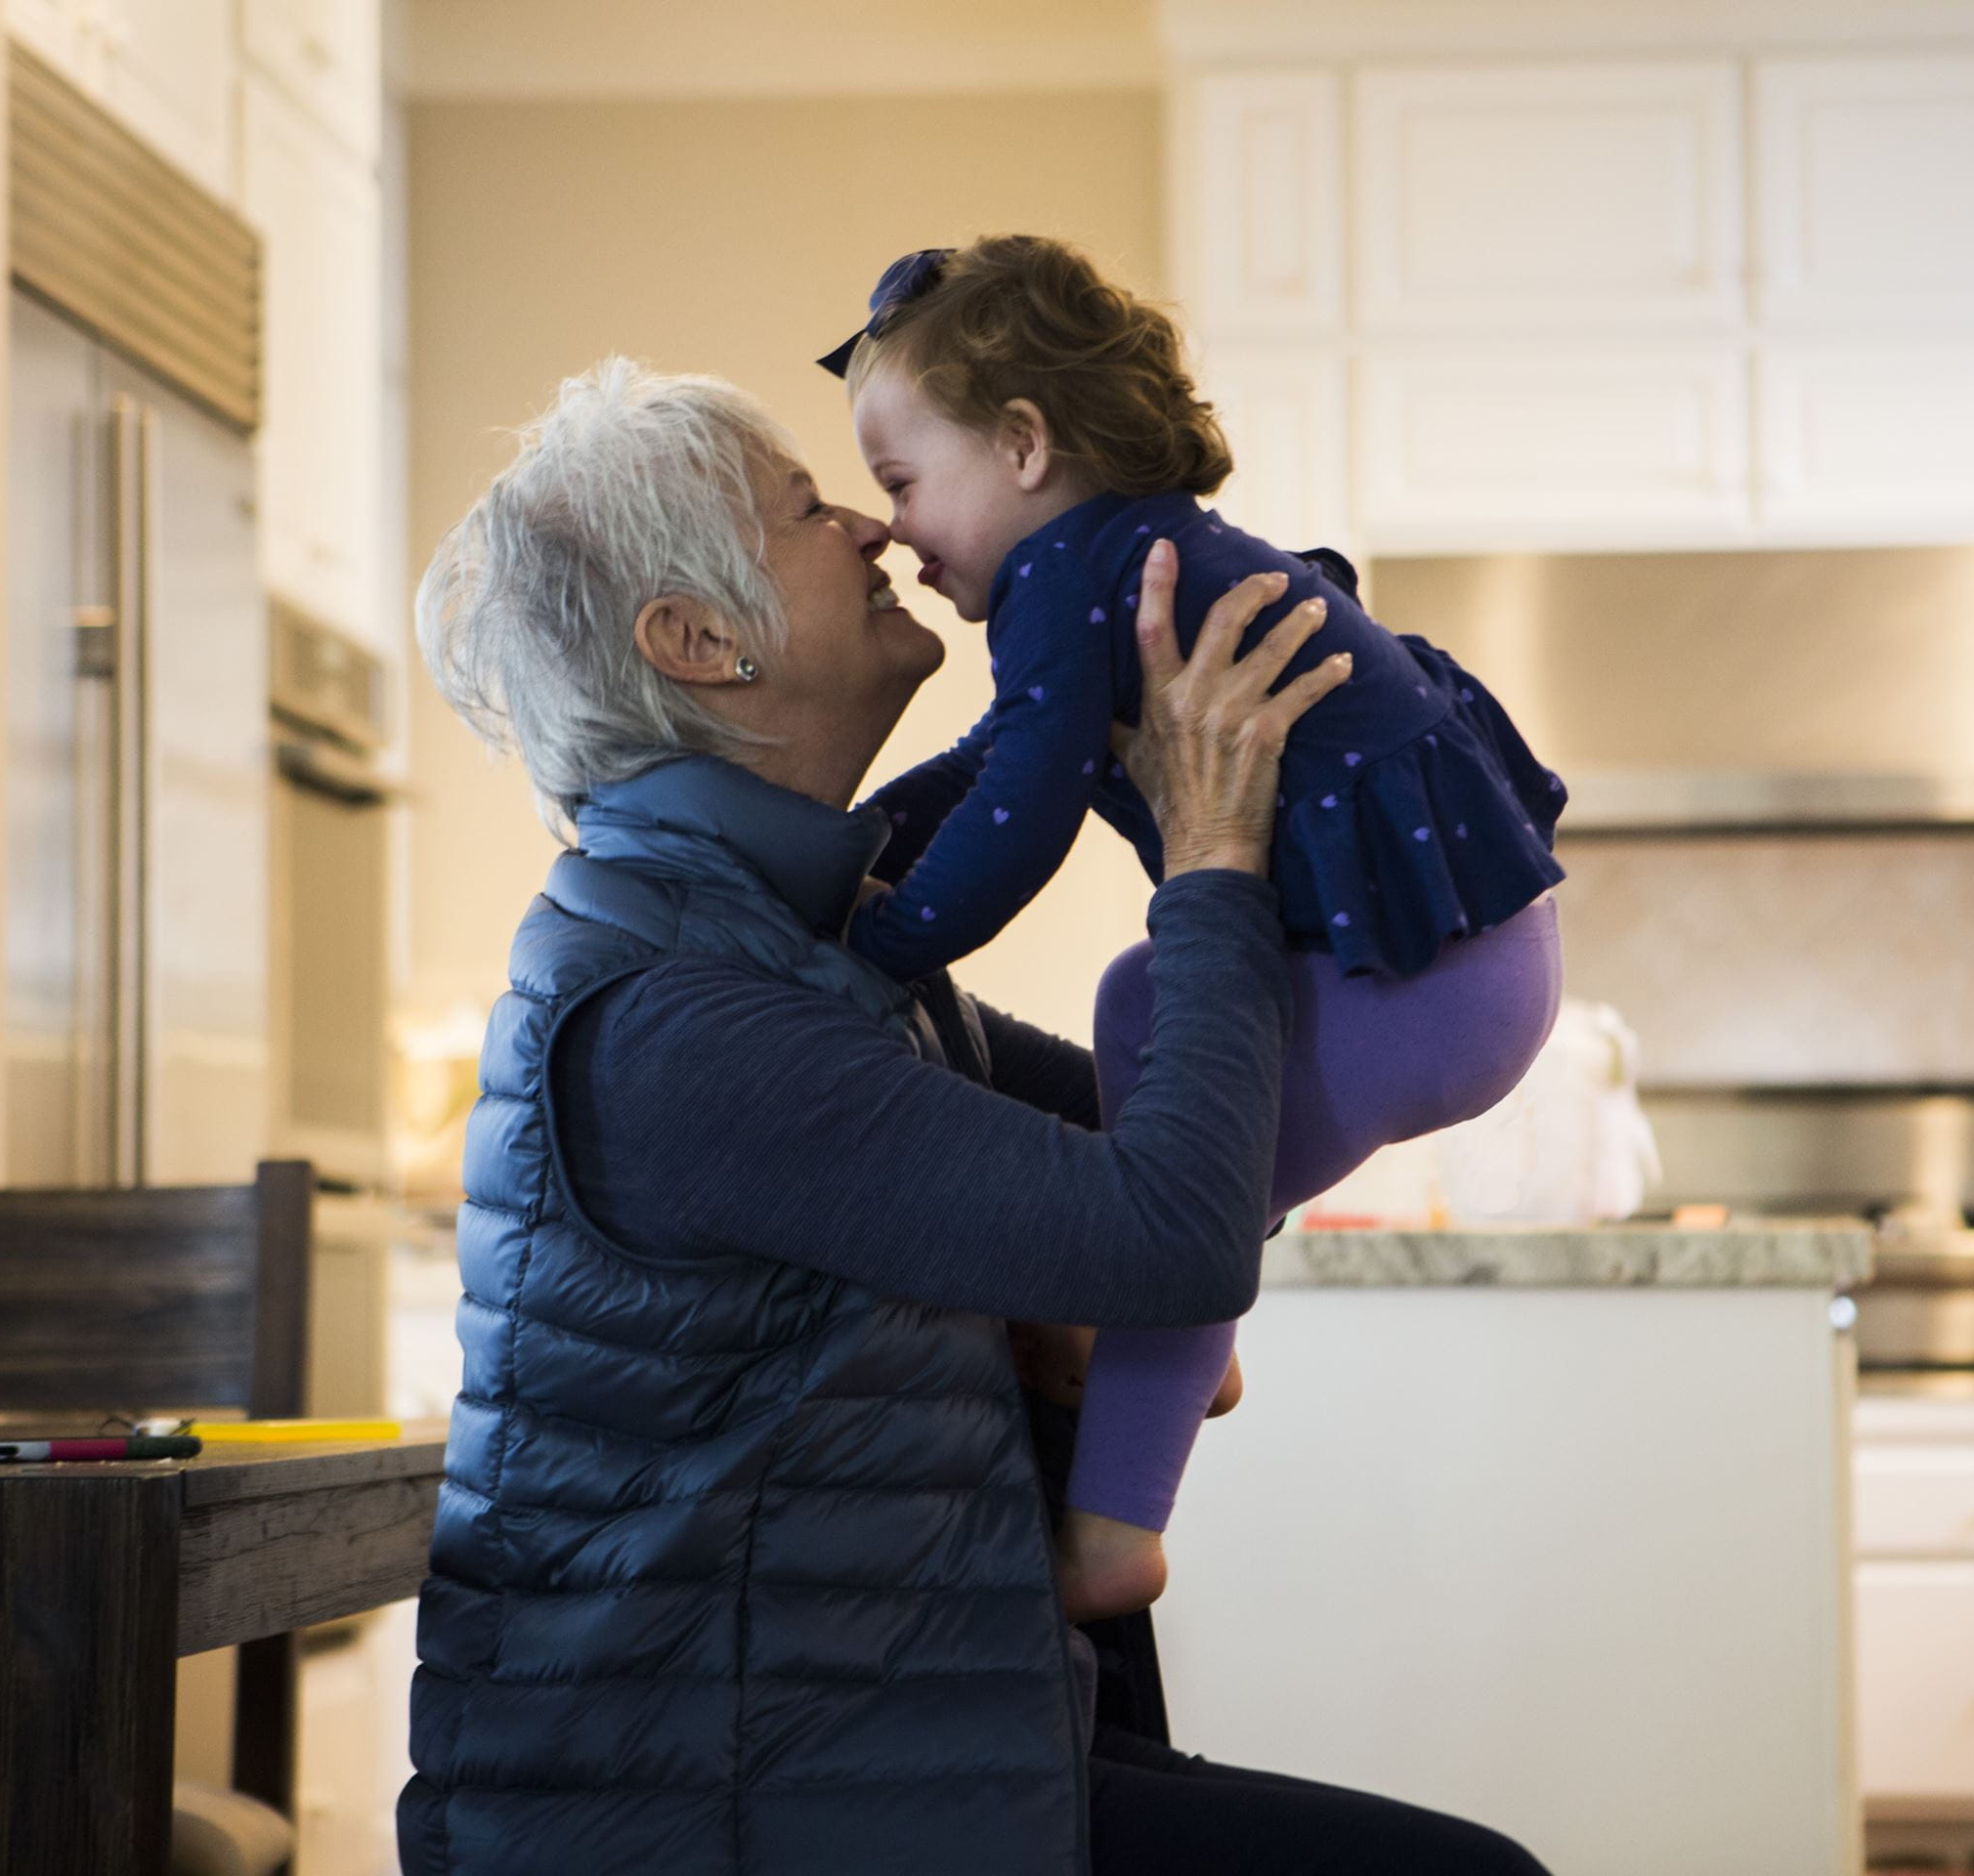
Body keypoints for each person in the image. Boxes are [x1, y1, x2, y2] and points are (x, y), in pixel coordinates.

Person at [399, 358, 1551, 1876]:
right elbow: (1179, 1237)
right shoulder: (679, 1015)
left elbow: (1181, 1162)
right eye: (810, 509)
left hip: (879, 1748)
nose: (874, 533)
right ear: (698, 643)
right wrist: (1212, 851)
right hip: (725, 1809)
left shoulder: (800, 947)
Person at [824, 236, 1567, 1617]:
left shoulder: (1069, 579)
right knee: (1141, 1002)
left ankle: (1115, 1528)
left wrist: (893, 934)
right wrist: (854, 851)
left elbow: (1030, 801)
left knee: (1171, 1161)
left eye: (903, 484)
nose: (897, 533)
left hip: (1422, 981)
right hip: (1468, 967)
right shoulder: (1122, 557)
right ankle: (1180, 1341)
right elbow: (1001, 755)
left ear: (1025, 447)